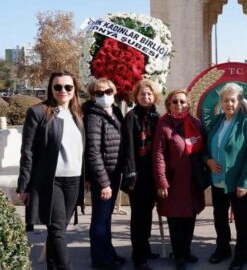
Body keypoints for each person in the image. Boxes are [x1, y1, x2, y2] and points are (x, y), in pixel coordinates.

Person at [17, 71, 84, 270]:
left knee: (60, 229)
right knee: (56, 229)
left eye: (68, 87)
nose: (63, 91)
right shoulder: (38, 112)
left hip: (74, 179)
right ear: (51, 89)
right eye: (58, 87)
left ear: (74, 90)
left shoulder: (78, 114)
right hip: (49, 180)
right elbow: (27, 151)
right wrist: (24, 184)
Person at [204, 83, 247, 270]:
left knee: (242, 220)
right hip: (218, 181)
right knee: (219, 217)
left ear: (240, 102)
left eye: (233, 100)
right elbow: (206, 147)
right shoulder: (217, 121)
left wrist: (244, 182)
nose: (229, 104)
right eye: (225, 100)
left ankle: (241, 255)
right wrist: (208, 160)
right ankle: (223, 248)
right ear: (221, 102)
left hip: (237, 182)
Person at [152, 90, 205, 270]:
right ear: (169, 104)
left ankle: (186, 250)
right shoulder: (163, 124)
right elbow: (158, 155)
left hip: (192, 181)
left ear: (188, 104)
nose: (179, 104)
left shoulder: (196, 123)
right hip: (173, 182)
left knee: (190, 217)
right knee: (175, 221)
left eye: (182, 101)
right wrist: (161, 181)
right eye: (175, 101)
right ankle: (179, 256)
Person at [84, 78, 126, 269]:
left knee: (107, 218)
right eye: (98, 93)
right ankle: (101, 261)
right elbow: (92, 151)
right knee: (100, 220)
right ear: (92, 96)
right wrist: (103, 183)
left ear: (114, 92)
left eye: (108, 92)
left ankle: (108, 253)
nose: (104, 96)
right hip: (104, 177)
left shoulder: (114, 112)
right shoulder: (93, 116)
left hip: (114, 172)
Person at [121, 80, 161, 270]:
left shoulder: (156, 116)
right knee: (139, 217)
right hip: (137, 174)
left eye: (149, 94)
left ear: (154, 96)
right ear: (136, 96)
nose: (146, 98)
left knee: (147, 215)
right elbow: (128, 147)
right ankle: (138, 257)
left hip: (152, 173)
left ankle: (144, 248)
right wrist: (130, 172)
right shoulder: (131, 116)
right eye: (142, 94)